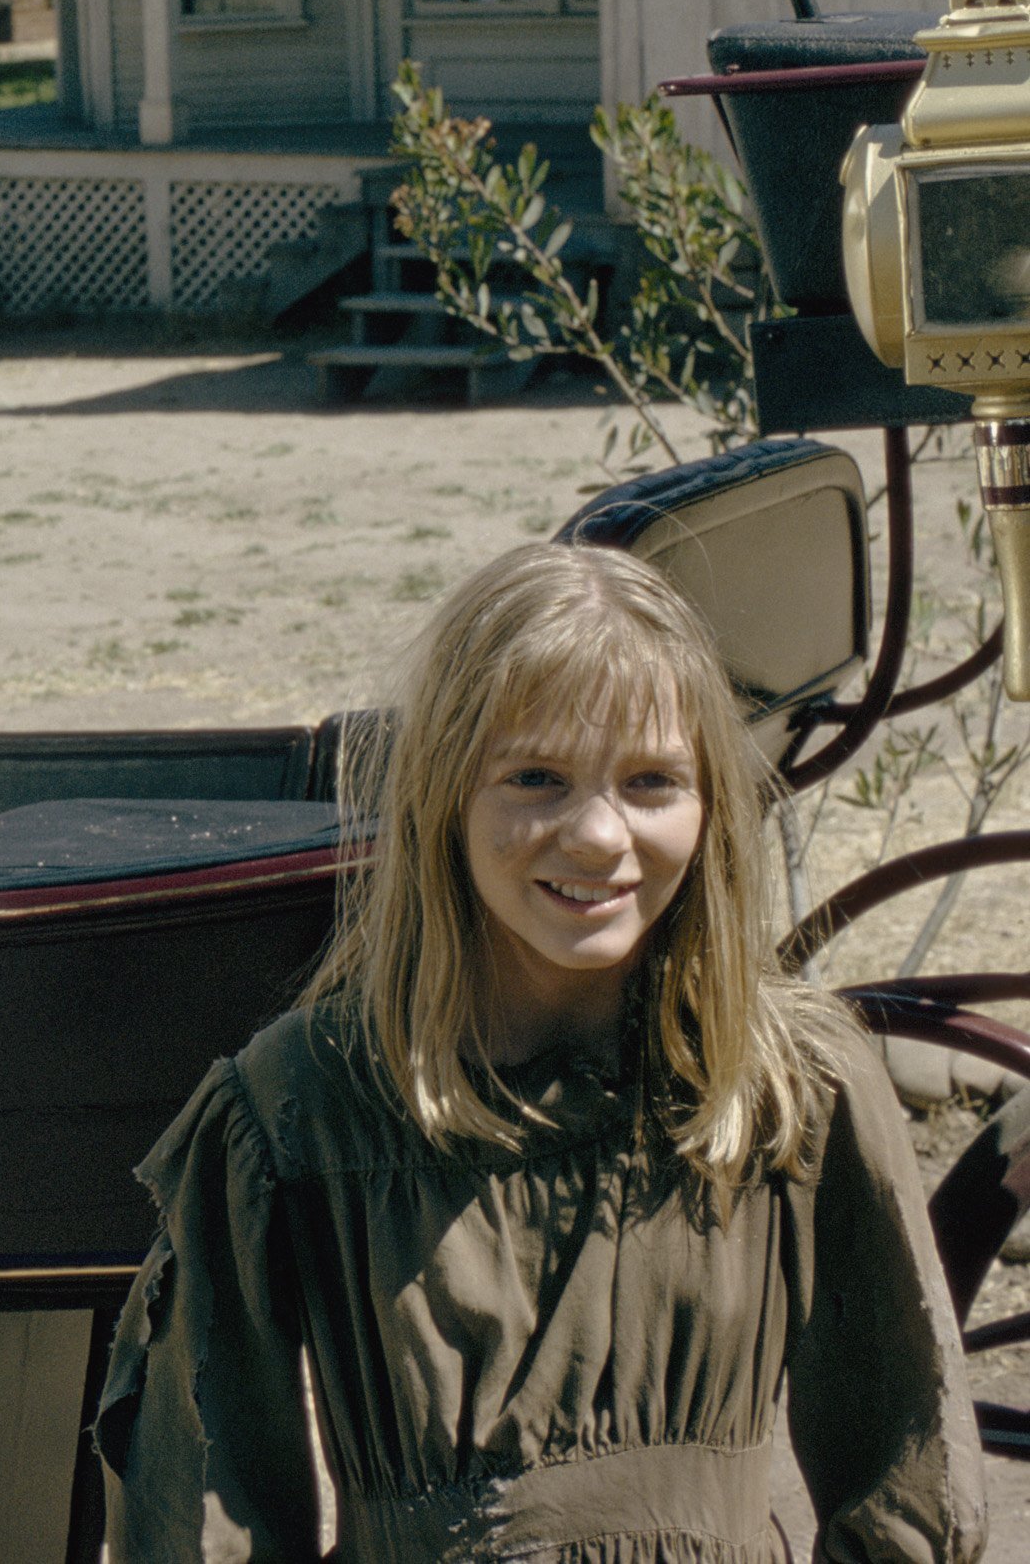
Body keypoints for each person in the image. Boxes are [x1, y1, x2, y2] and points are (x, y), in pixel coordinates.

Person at [96, 543, 986, 1562]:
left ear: (711, 802)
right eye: (536, 777)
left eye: (652, 779)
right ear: (444, 794)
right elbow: (200, 1517)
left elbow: (908, 1484)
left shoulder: (790, 1084)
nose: (600, 833)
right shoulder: (299, 1104)